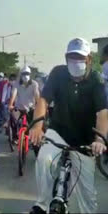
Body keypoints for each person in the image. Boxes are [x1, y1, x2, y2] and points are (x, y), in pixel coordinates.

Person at [29, 38, 108, 214]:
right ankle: (42, 205)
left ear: (89, 59)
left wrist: (100, 139)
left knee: (87, 197)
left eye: (80, 58)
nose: (76, 62)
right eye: (72, 58)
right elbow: (43, 100)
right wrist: (37, 126)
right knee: (44, 159)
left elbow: (102, 112)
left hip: (85, 140)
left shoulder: (96, 80)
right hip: (58, 132)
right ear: (65, 58)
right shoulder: (58, 73)